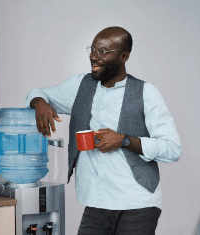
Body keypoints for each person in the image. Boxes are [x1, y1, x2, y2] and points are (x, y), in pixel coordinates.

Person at [25, 26, 182, 235]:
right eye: (92, 49)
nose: (93, 56)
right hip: (96, 203)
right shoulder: (80, 86)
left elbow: (172, 149)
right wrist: (39, 103)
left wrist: (124, 140)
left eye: (103, 52)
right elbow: (38, 93)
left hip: (137, 203)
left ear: (124, 56)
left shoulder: (147, 93)